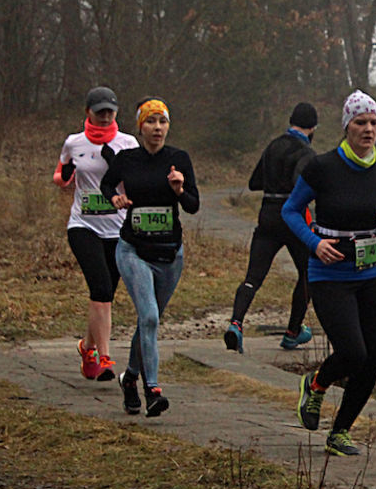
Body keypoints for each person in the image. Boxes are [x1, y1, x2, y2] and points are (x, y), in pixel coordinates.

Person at [282, 91, 376, 457]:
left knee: (372, 358)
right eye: (360, 123)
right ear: (346, 127)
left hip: (374, 274)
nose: (368, 129)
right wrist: (313, 243)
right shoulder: (321, 167)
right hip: (330, 274)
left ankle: (340, 432)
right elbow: (291, 211)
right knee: (352, 352)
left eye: (373, 123)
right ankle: (316, 385)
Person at [100, 97, 200, 417]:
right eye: (151, 122)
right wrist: (115, 197)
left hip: (170, 255)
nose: (157, 128)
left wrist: (180, 189)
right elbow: (105, 184)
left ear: (168, 126)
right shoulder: (127, 159)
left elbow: (193, 205)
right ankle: (152, 388)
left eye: (163, 122)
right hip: (133, 251)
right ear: (140, 126)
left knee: (148, 320)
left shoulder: (178, 159)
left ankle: (129, 378)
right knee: (151, 317)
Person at [54, 86, 139, 382]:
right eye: (99, 111)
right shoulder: (73, 143)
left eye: (109, 112)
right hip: (83, 226)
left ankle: (87, 347)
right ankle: (104, 357)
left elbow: (136, 180)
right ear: (87, 112)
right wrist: (63, 178)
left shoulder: (127, 143)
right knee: (100, 288)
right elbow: (62, 173)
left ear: (116, 113)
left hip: (118, 229)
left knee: (104, 296)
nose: (104, 117)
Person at [223, 103, 319, 354]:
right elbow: (301, 184)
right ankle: (292, 332)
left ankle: (236, 323)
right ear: (313, 128)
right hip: (294, 218)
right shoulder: (306, 152)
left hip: (267, 215)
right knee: (308, 274)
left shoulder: (273, 146)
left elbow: (254, 182)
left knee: (253, 277)